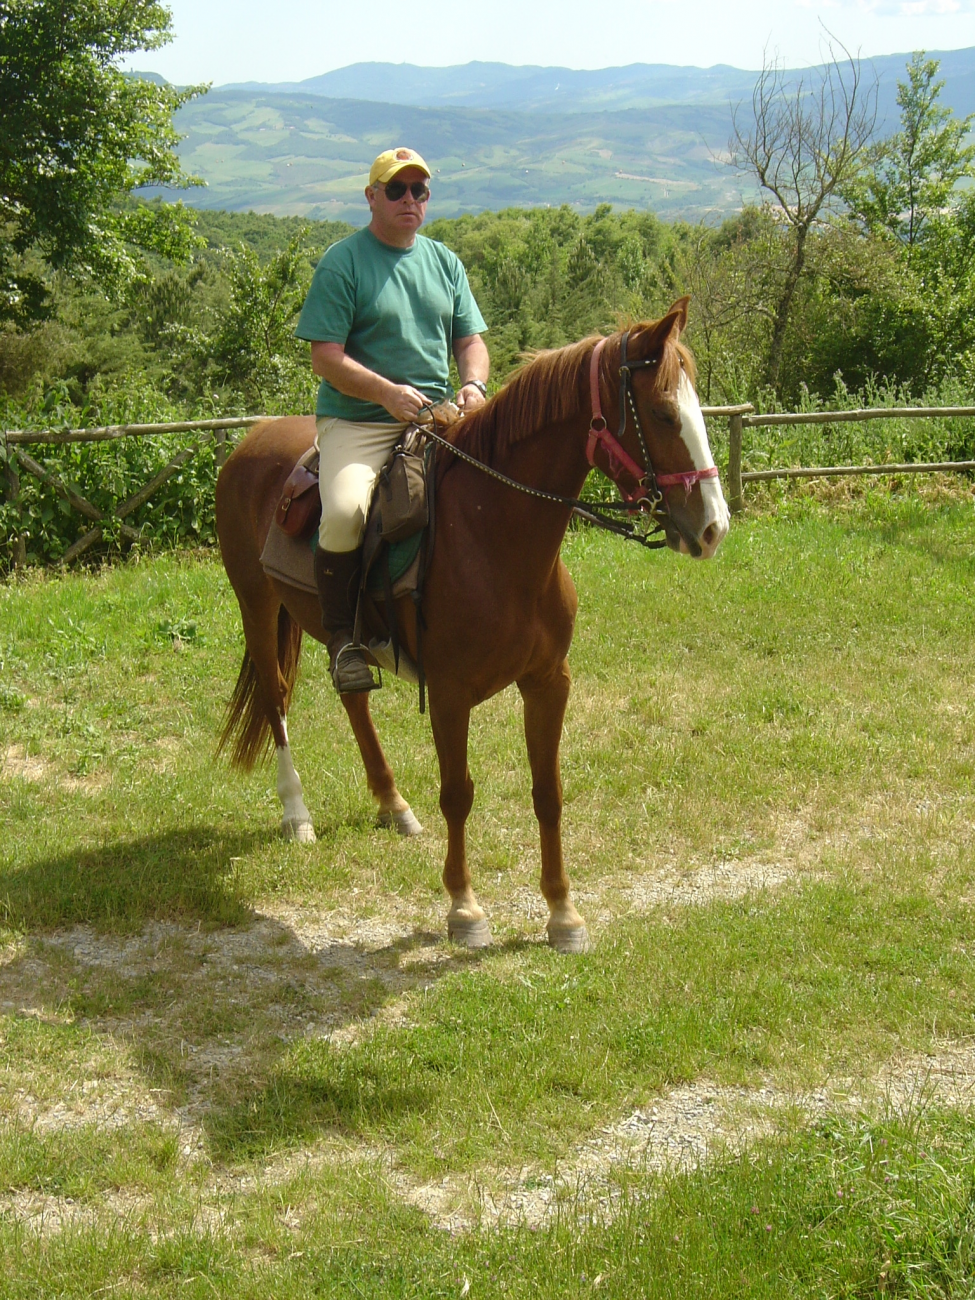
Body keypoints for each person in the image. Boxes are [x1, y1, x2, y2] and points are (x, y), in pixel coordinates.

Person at [295, 147, 490, 694]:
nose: (410, 200)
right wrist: (384, 393)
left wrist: (473, 384)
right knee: (345, 511)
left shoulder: (444, 262)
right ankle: (343, 640)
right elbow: (325, 358)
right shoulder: (344, 261)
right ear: (371, 197)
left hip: (436, 417)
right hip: (358, 421)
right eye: (396, 189)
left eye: (419, 191)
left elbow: (470, 341)